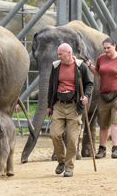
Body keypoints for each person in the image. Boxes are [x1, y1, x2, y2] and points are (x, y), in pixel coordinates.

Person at [85, 37, 117, 159]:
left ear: (115, 46)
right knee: (103, 123)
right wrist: (90, 66)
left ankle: (115, 148)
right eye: (105, 48)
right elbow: (98, 72)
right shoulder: (101, 58)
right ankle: (102, 149)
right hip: (104, 95)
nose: (106, 50)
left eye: (109, 48)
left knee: (115, 121)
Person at [47, 43, 93, 177]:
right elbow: (51, 87)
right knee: (55, 134)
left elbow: (89, 84)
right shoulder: (56, 66)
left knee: (72, 139)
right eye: (58, 54)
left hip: (75, 106)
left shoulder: (80, 66)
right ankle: (61, 161)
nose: (58, 56)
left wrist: (86, 97)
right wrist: (49, 106)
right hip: (59, 105)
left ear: (69, 53)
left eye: (61, 54)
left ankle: (69, 167)